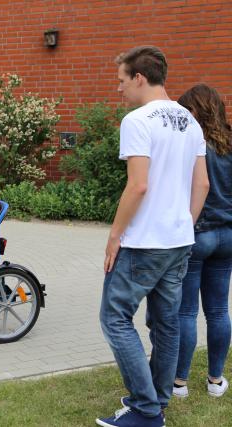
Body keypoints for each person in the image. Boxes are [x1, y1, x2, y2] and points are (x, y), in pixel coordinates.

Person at [96, 46, 210, 427]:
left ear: (139, 77)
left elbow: (138, 185)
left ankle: (146, 410)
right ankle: (157, 401)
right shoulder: (191, 121)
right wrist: (185, 223)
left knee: (114, 318)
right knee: (167, 322)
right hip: (179, 241)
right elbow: (203, 183)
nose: (120, 89)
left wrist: (114, 236)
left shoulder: (138, 120)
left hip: (143, 243)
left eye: (122, 80)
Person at [172, 84, 232, 399]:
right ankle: (215, 380)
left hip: (197, 234)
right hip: (228, 236)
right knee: (219, 309)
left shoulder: (191, 145)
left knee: (185, 311)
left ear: (196, 111)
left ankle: (179, 383)